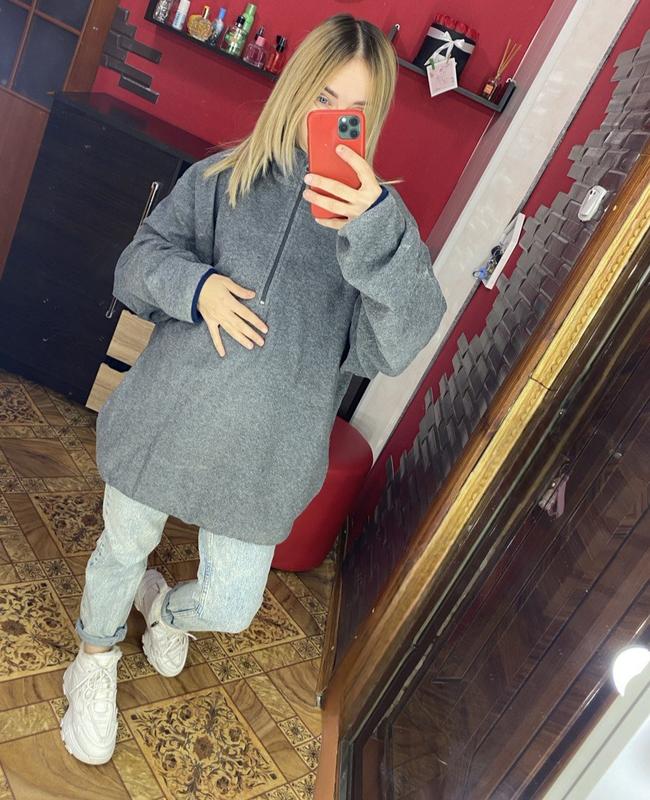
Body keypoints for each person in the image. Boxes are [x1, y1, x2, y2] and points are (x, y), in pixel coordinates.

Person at [60, 13, 447, 765]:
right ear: (297, 88)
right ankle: (94, 658)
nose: (333, 118)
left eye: (355, 109)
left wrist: (375, 226)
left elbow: (403, 338)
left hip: (265, 460)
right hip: (166, 421)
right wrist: (196, 287)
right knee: (121, 550)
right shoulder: (221, 178)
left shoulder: (376, 232)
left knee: (232, 607)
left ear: (371, 122)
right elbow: (135, 266)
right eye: (323, 96)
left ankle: (164, 609)